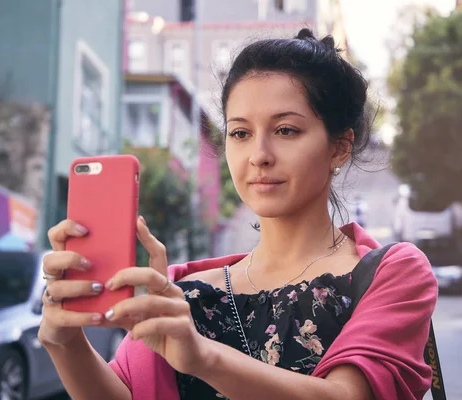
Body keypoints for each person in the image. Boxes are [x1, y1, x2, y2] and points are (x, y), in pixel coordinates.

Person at [39, 29, 437, 400]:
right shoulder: (184, 290)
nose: (259, 155)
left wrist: (202, 357)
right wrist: (66, 344)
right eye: (241, 133)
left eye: (286, 130)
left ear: (339, 147)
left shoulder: (391, 273)